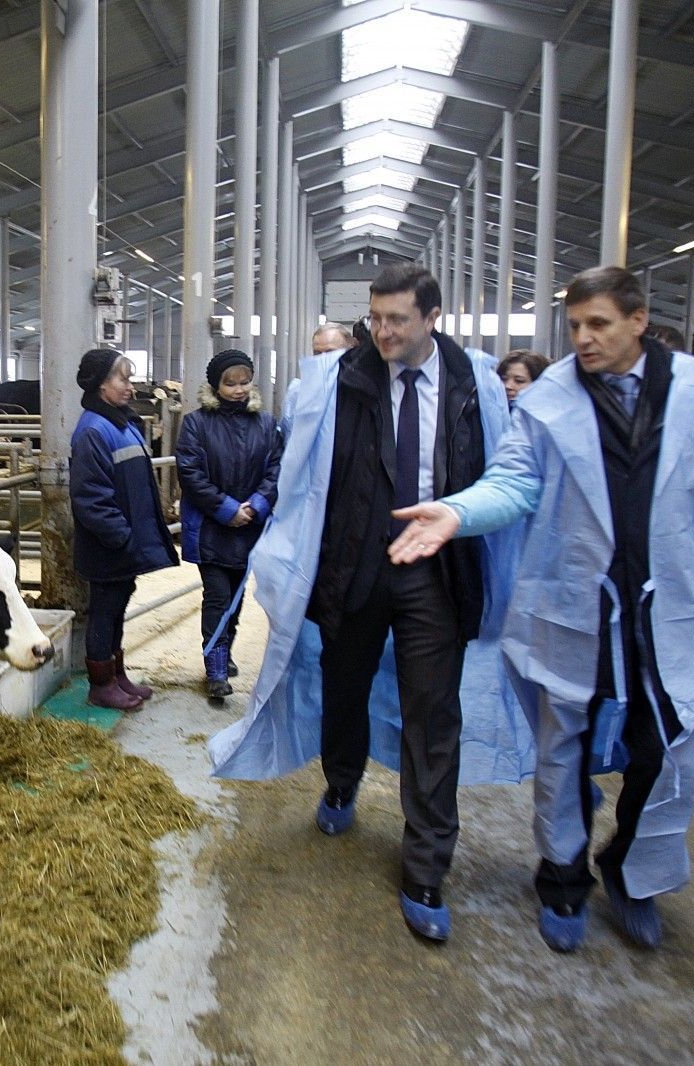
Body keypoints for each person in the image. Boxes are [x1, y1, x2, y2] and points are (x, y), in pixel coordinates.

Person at [390, 266, 694, 953]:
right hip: (575, 604)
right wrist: (457, 511)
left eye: (597, 324)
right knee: (562, 745)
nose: (583, 339)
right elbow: (513, 481)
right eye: (574, 326)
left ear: (638, 319)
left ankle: (632, 872)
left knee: (664, 751)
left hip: (671, 609)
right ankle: (563, 878)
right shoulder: (549, 399)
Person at [211, 262, 530, 945]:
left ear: (432, 317)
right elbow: (303, 475)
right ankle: (342, 780)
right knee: (344, 686)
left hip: (434, 570)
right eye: (376, 319)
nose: (382, 332)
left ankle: (425, 868)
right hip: (354, 565)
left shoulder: (474, 383)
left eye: (398, 321)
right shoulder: (341, 380)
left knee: (432, 711)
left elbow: (502, 473)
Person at [70, 348, 178, 710]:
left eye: (129, 379)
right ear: (101, 385)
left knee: (117, 609)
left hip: (123, 544)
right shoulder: (93, 431)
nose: (129, 387)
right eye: (122, 379)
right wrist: (123, 538)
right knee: (104, 610)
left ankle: (116, 675)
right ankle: (100, 685)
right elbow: (92, 500)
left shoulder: (120, 424)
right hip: (108, 545)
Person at [176, 349, 283, 700]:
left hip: (249, 527)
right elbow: (190, 473)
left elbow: (276, 468)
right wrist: (226, 508)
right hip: (211, 527)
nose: (238, 389)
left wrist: (258, 504)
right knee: (218, 596)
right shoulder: (196, 423)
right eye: (230, 382)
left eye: (244, 381)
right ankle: (216, 668)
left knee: (235, 599)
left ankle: (225, 651)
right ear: (215, 384)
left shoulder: (266, 424)